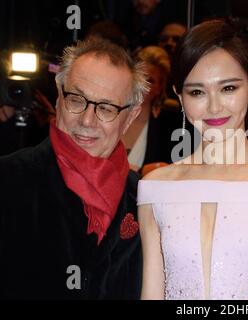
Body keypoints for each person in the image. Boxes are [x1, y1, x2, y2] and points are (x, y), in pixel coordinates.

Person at [137, 19, 248, 300]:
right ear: (179, 97)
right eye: (197, 92)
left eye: (228, 88)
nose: (214, 106)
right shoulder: (155, 187)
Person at [0, 38, 149, 299]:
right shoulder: (9, 179)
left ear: (131, 116)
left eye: (106, 108)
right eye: (77, 99)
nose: (87, 120)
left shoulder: (146, 199)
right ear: (59, 97)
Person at [123, 46, 181, 171]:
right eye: (139, 78)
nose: (142, 85)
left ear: (160, 88)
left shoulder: (168, 129)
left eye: (150, 80)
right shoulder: (108, 116)